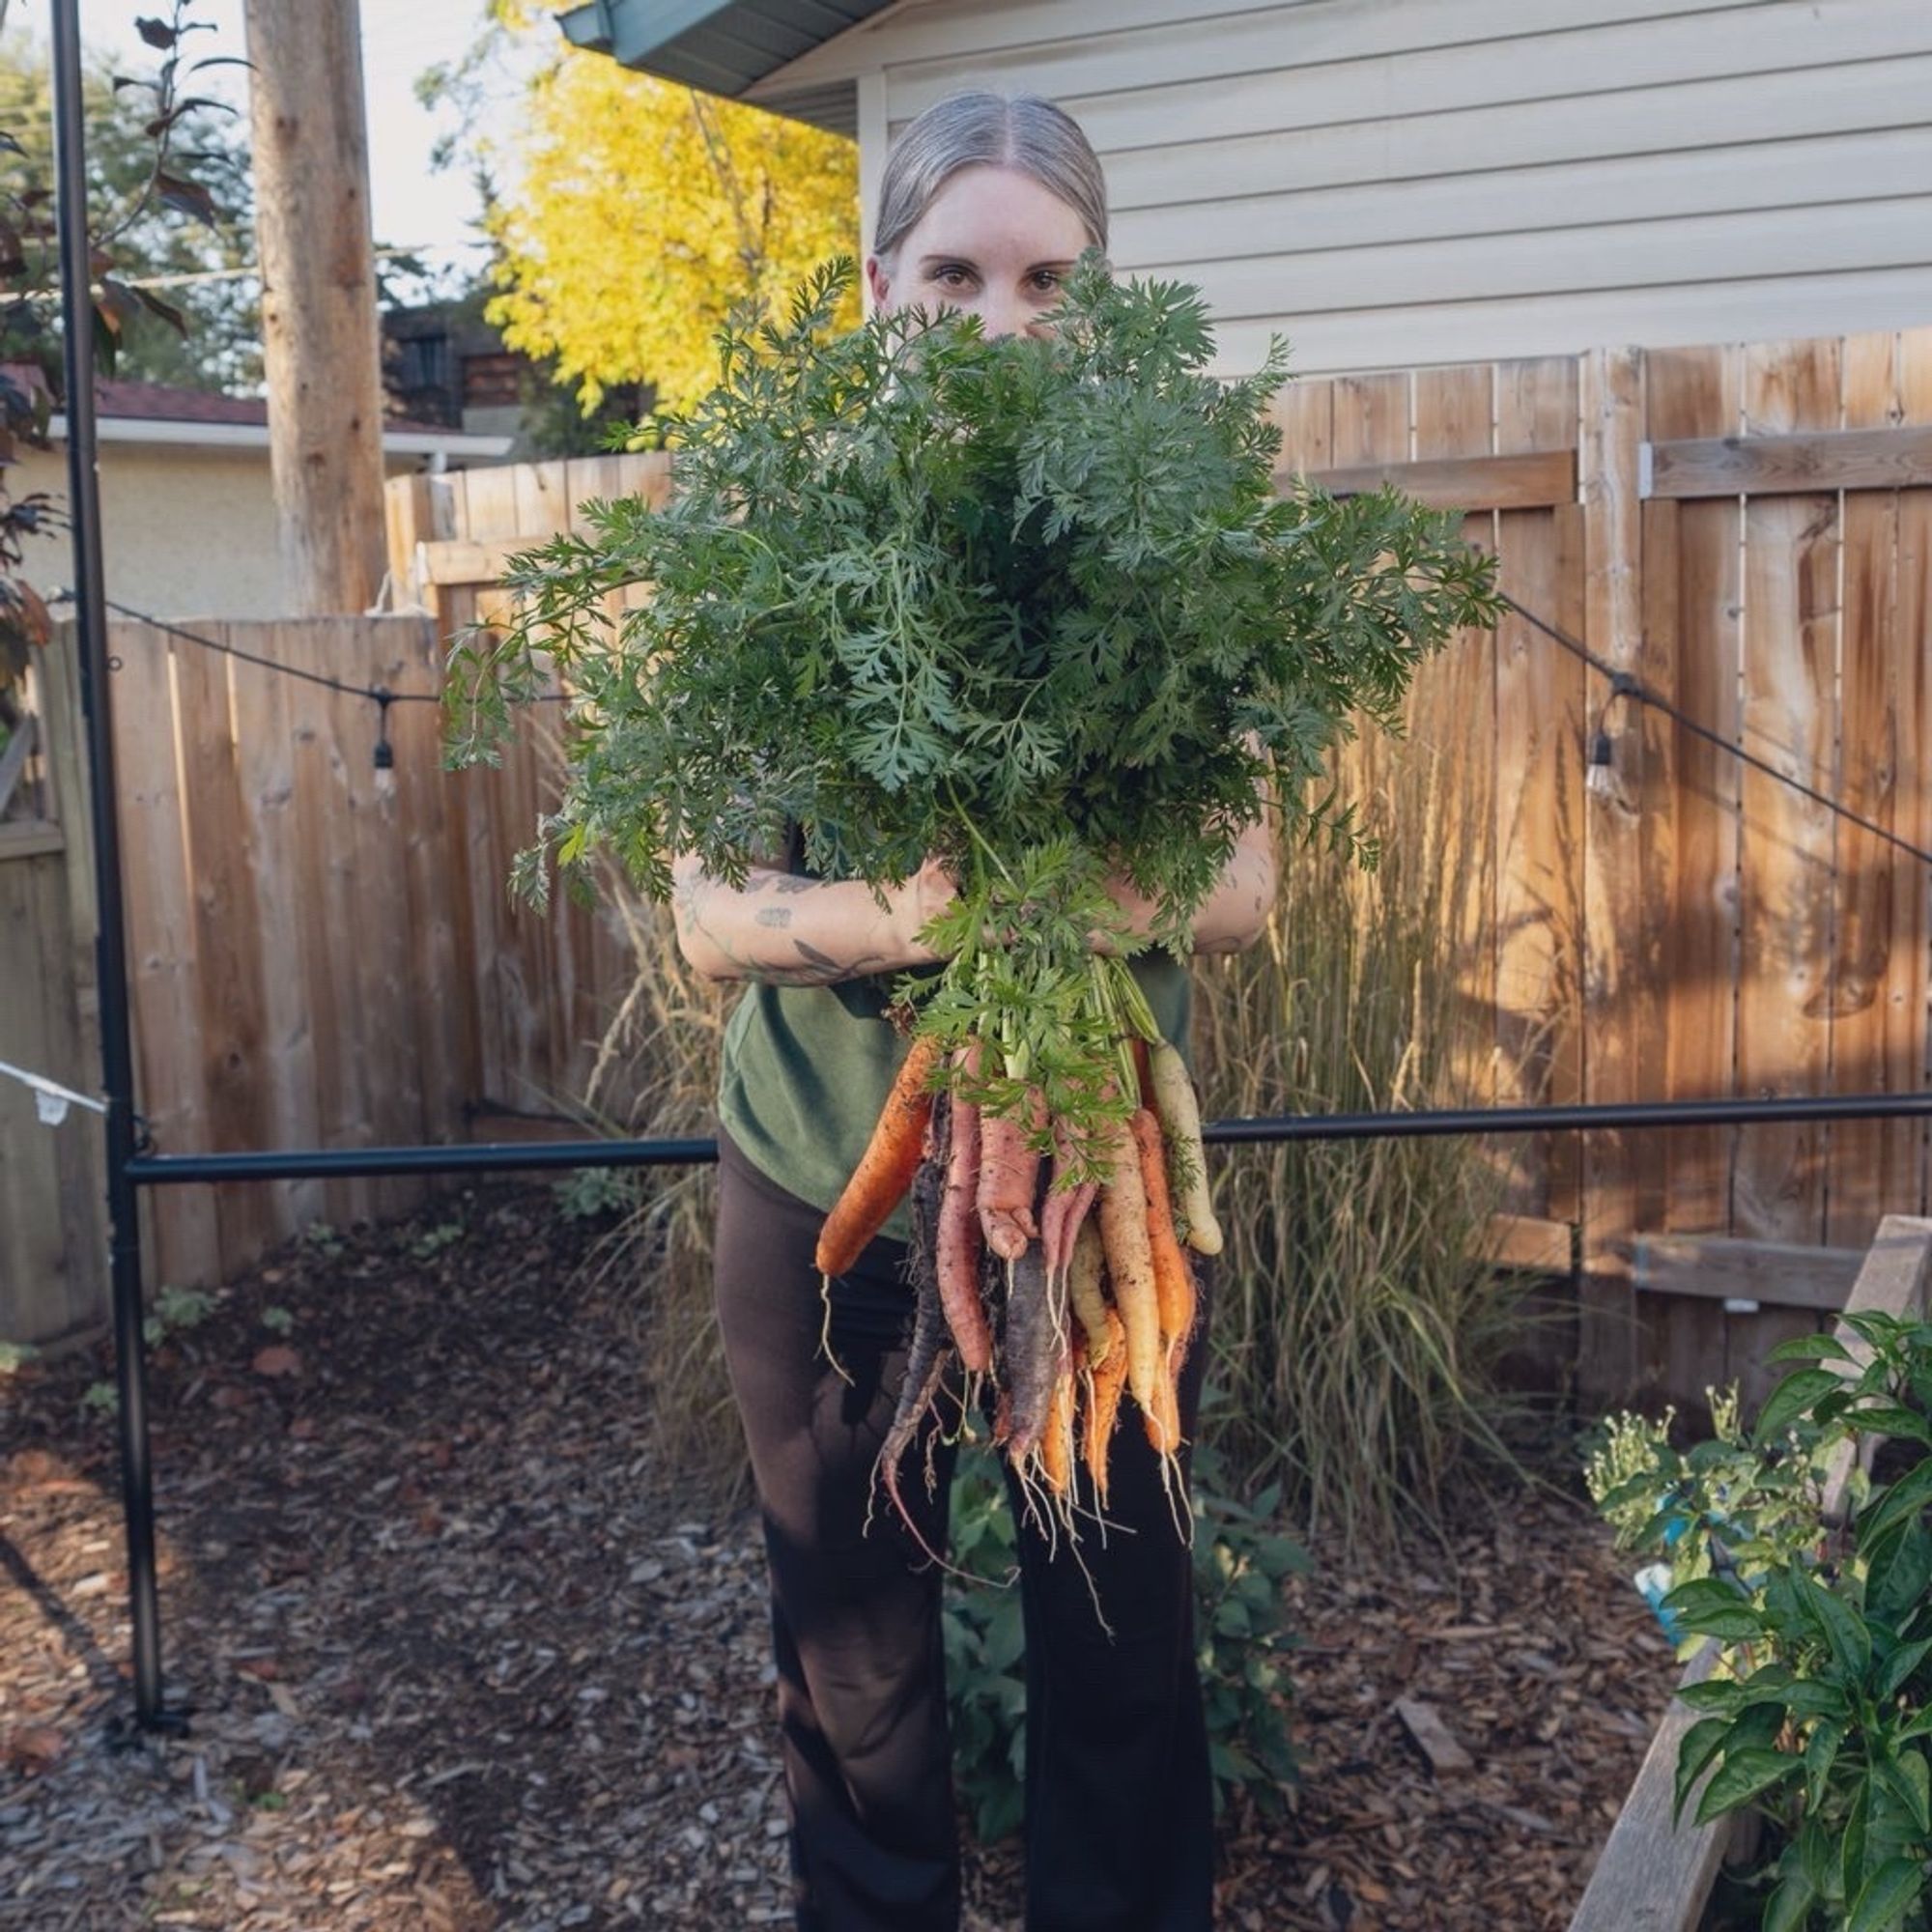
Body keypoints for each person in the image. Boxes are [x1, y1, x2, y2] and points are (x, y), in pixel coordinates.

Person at [670, 90, 1277, 1932]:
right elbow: (709, 910)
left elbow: (1241, 880)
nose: (1001, 325)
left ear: (1101, 303)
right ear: (879, 289)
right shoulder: (769, 532)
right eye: (954, 276)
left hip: (1092, 1178)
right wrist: (909, 910)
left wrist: (1027, 903)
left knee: (1120, 1643)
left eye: (1046, 282)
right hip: (824, 1180)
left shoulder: (1177, 533)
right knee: (852, 1675)